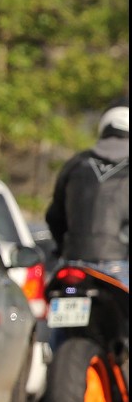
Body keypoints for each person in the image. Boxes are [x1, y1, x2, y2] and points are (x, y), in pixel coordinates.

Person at [45, 102, 130, 286]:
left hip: (73, 266)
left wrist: (64, 249)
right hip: (120, 268)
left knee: (57, 294)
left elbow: (54, 217)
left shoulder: (76, 163)